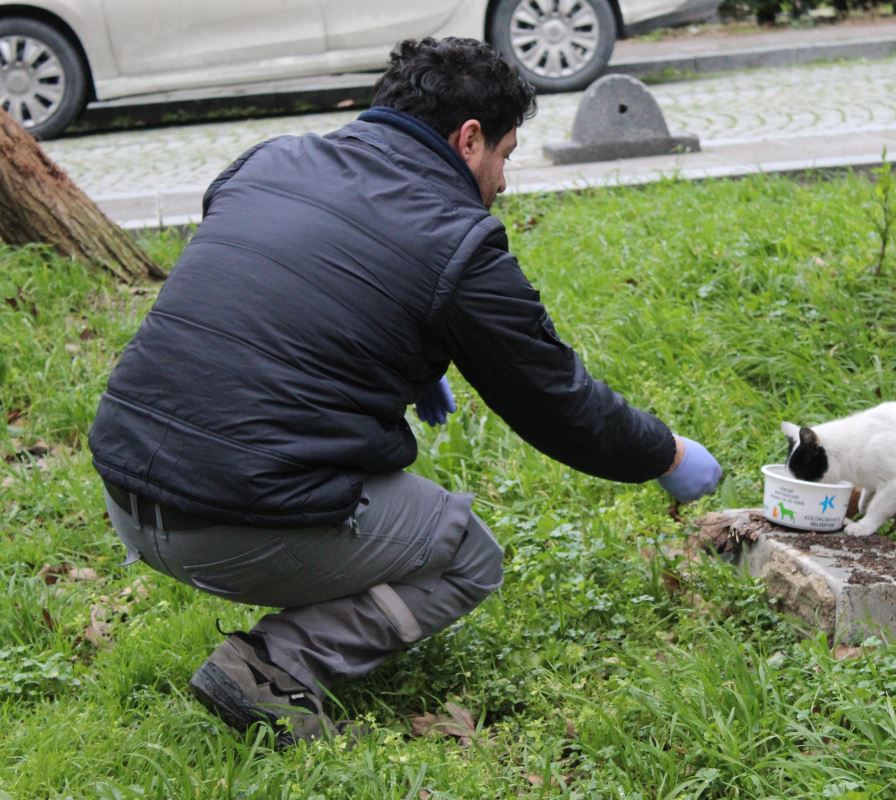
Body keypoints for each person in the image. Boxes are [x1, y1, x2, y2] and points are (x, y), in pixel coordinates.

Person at [88, 37, 722, 746]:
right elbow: (558, 404)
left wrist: (412, 366)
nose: (504, 183)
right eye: (506, 157)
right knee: (467, 554)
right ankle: (274, 666)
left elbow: (293, 289)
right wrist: (664, 455)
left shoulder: (270, 160)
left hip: (125, 488)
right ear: (469, 138)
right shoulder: (458, 241)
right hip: (224, 524)